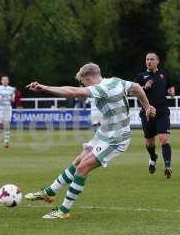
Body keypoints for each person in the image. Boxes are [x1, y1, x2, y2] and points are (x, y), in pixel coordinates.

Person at [25, 63, 155, 219]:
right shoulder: (116, 81)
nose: (83, 86)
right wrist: (147, 107)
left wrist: (45, 88)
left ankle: (63, 211)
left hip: (116, 138)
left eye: (83, 82)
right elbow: (136, 87)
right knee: (78, 161)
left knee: (82, 168)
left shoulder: (100, 88)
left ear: (89, 78)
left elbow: (73, 92)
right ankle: (48, 192)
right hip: (104, 132)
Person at [134, 52, 175, 178]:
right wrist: (145, 87)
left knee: (164, 139)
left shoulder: (165, 74)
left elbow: (171, 87)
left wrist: (172, 91)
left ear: (157, 61)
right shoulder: (141, 76)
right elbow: (133, 92)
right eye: (147, 59)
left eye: (152, 59)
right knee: (150, 142)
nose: (149, 61)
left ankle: (167, 166)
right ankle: (153, 157)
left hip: (162, 112)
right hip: (147, 113)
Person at [0, 76, 16, 148]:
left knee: (7, 124)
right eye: (3, 80)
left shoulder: (11, 89)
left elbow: (13, 100)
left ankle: (6, 142)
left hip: (7, 107)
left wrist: (12, 98)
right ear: (1, 81)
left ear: (8, 81)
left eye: (6, 80)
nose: (5, 81)